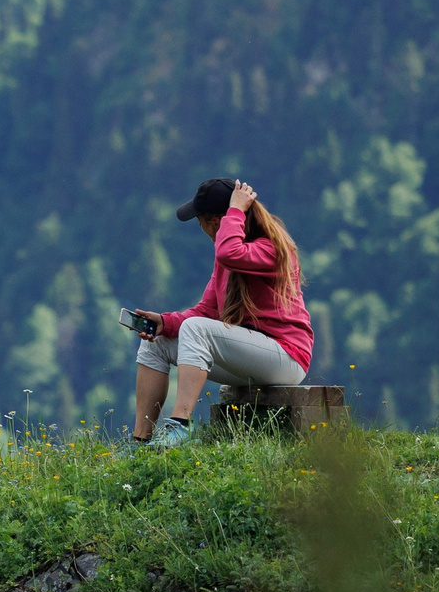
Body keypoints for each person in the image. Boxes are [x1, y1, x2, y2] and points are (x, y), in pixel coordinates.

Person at [129, 176, 311, 447]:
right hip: (250, 355)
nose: (201, 229)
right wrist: (165, 322)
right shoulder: (230, 252)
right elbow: (206, 310)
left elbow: (229, 252)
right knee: (157, 343)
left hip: (286, 357)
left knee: (195, 329)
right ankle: (140, 441)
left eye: (201, 222)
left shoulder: (271, 247)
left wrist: (235, 210)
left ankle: (180, 426)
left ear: (215, 222)